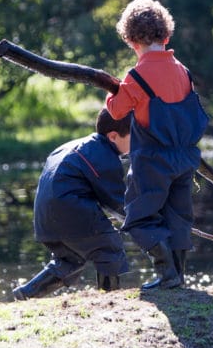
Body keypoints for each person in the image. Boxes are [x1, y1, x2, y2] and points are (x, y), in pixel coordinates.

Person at [106, 0, 209, 290]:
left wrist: (113, 91)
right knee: (179, 217)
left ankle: (166, 273)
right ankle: (178, 276)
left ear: (130, 39)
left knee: (137, 217)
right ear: (166, 35)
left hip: (152, 160)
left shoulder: (136, 76)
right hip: (185, 159)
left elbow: (116, 111)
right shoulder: (183, 71)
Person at [12, 107, 132, 300]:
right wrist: (147, 219)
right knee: (109, 246)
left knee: (70, 259)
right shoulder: (105, 156)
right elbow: (117, 203)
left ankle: (26, 294)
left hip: (44, 218)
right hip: (70, 212)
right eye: (133, 137)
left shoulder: (74, 146)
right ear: (113, 136)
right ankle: (111, 300)